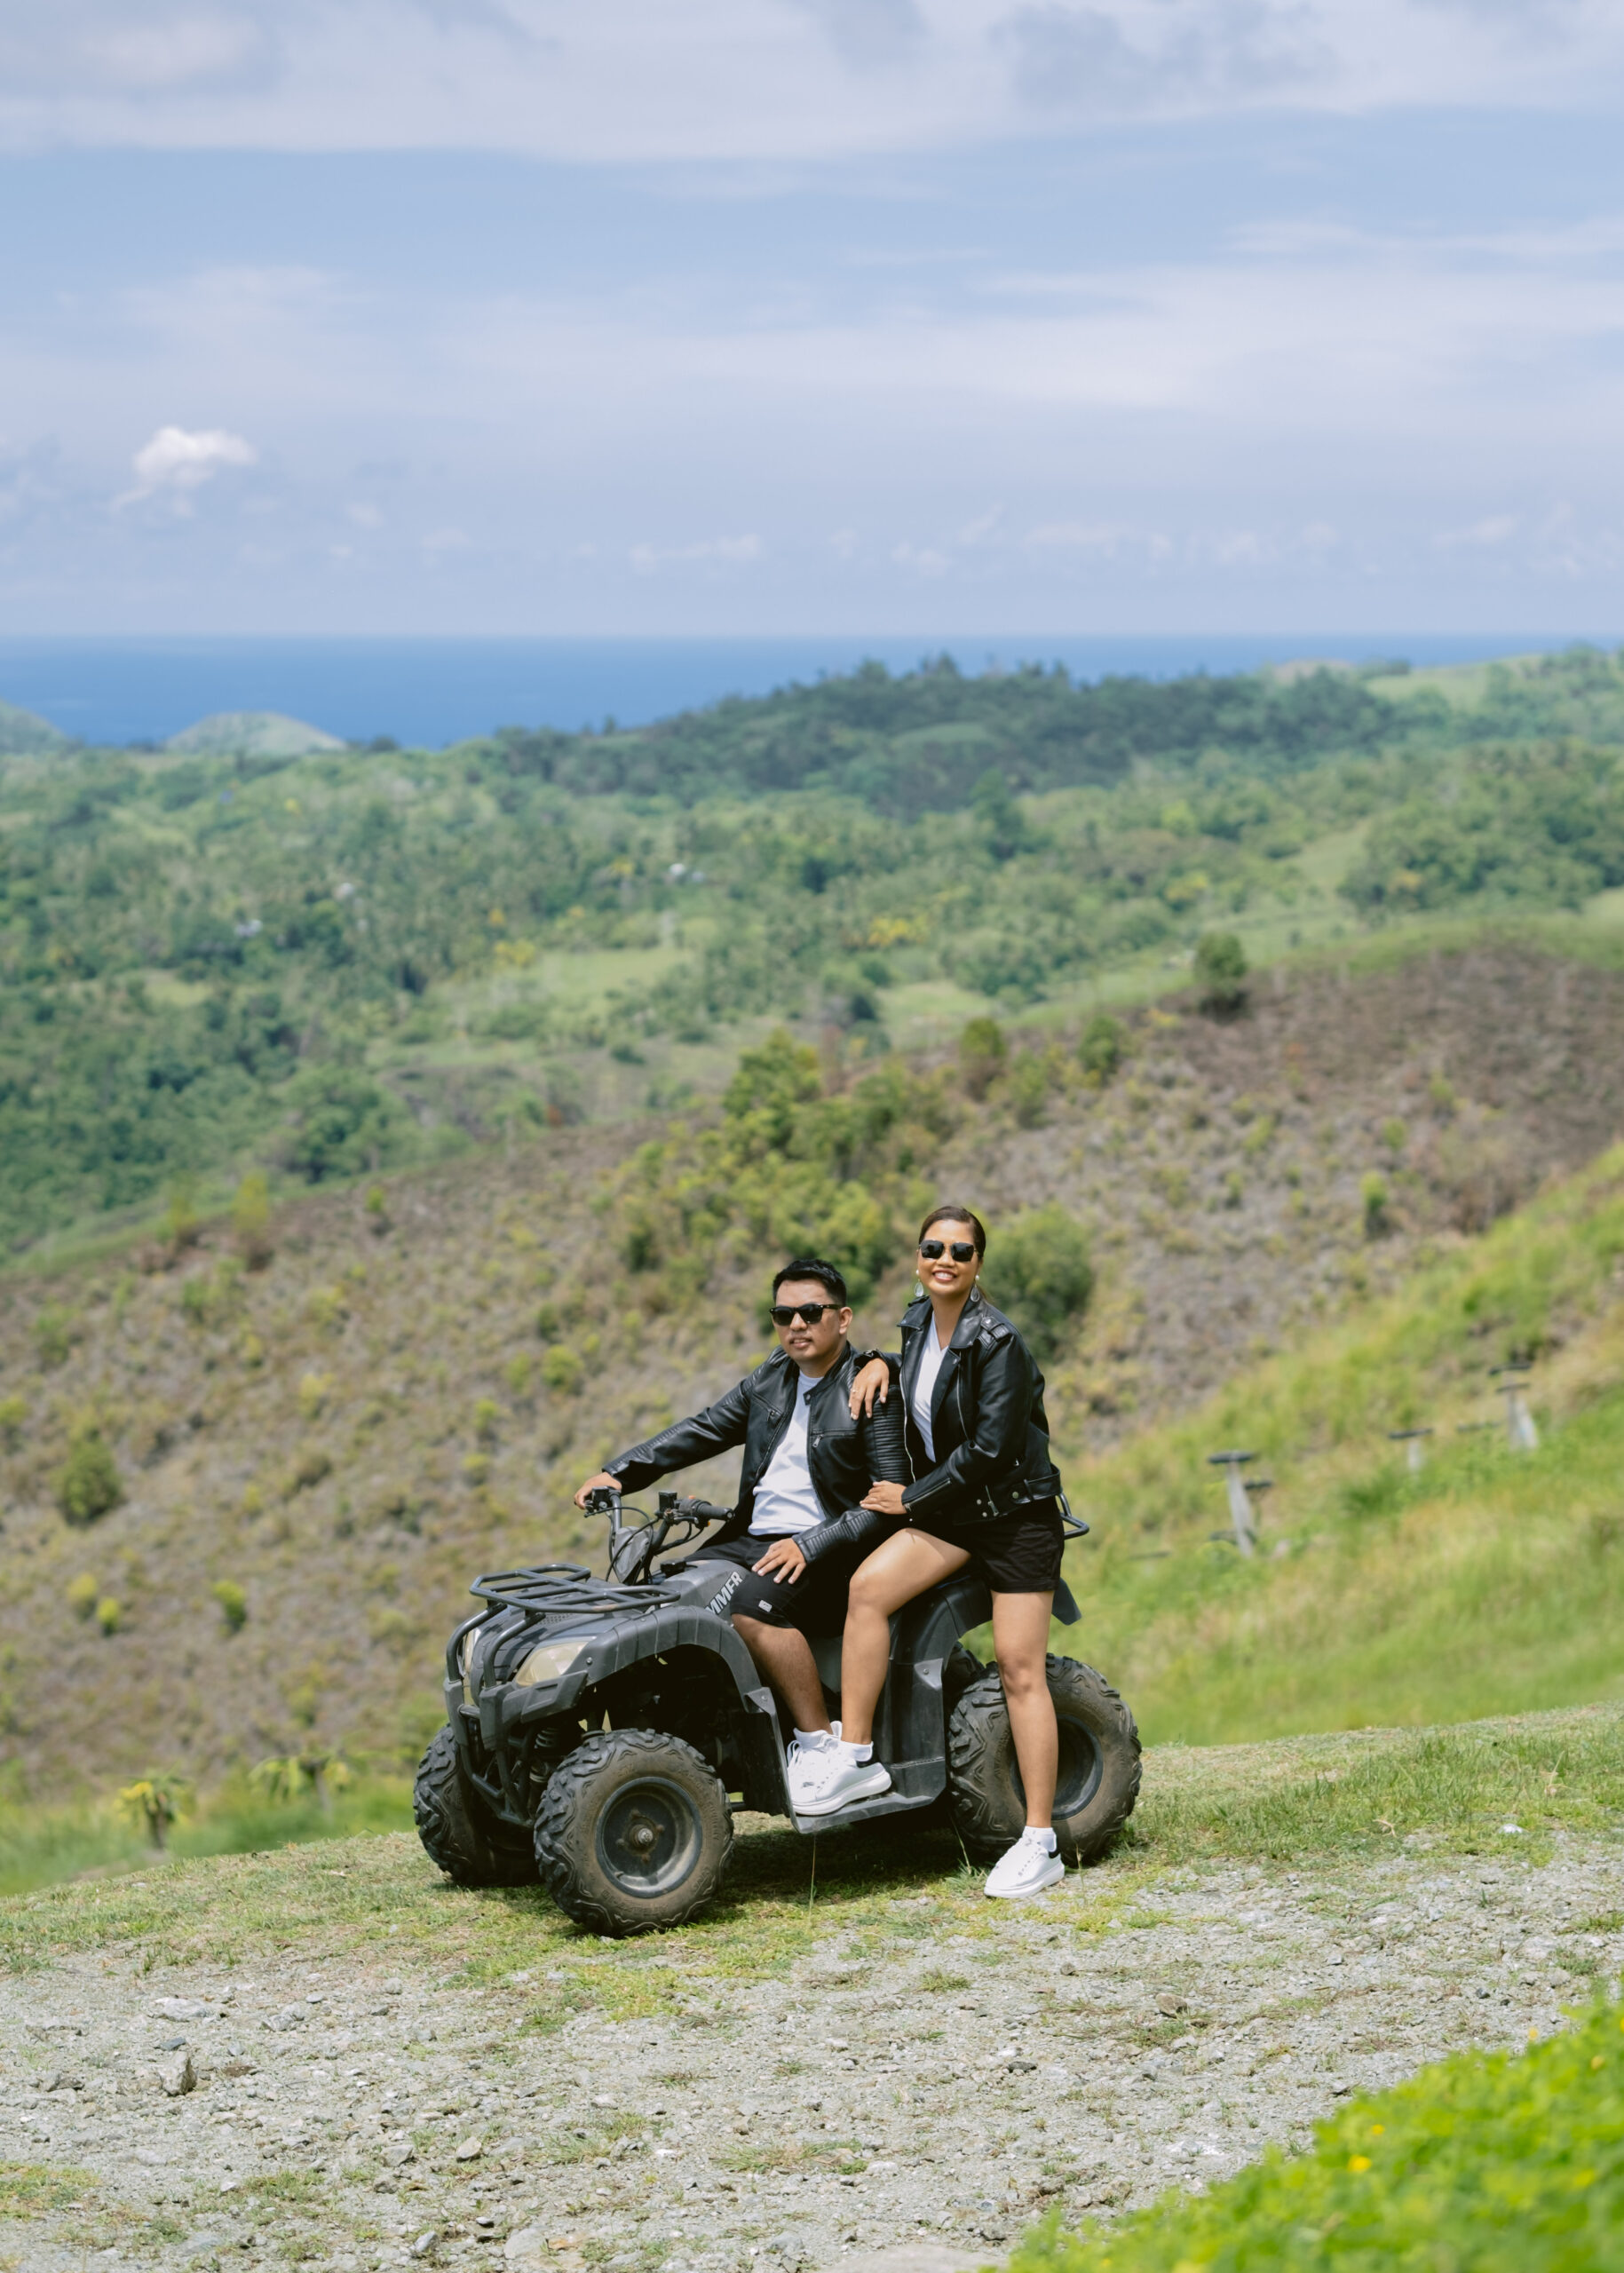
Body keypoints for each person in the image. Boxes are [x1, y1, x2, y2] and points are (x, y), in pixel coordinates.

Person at [793, 1205, 1069, 1900]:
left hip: (1014, 1518)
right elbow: (927, 1376)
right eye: (933, 1248)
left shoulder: (998, 1342)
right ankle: (856, 1756)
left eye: (960, 1251)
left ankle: (1039, 1841)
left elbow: (991, 1450)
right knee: (868, 1589)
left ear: (977, 1264)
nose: (945, 1259)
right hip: (955, 1514)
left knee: (1019, 1670)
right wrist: (877, 1363)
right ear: (917, 1259)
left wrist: (909, 1499)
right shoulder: (918, 1322)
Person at [574, 1258, 908, 1810]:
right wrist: (620, 1473)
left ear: (843, 1318)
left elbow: (886, 1502)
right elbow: (704, 1428)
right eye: (783, 1314)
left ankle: (823, 1746)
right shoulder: (771, 1377)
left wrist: (810, 1544)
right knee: (667, 1597)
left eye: (811, 1312)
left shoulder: (870, 1385)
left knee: (753, 1611)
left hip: (831, 1544)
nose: (796, 1324)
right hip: (754, 1536)